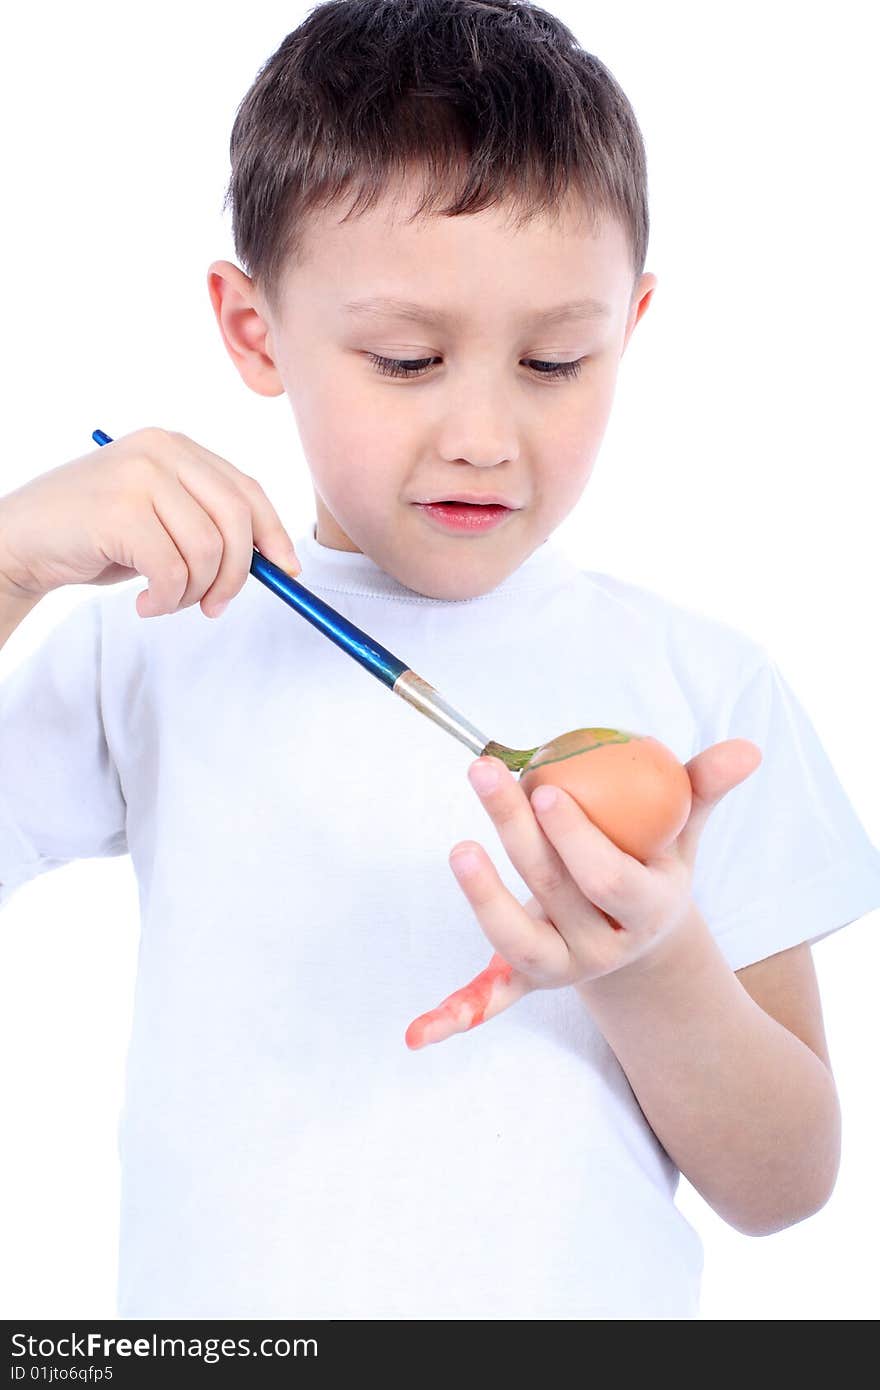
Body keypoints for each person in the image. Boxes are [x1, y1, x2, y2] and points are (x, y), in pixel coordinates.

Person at [1, 0, 878, 1321]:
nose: (482, 431)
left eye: (554, 359)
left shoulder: (702, 687)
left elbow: (787, 1183)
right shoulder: (165, 633)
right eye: (406, 358)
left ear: (630, 328)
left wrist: (650, 968)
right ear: (254, 331)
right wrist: (9, 563)